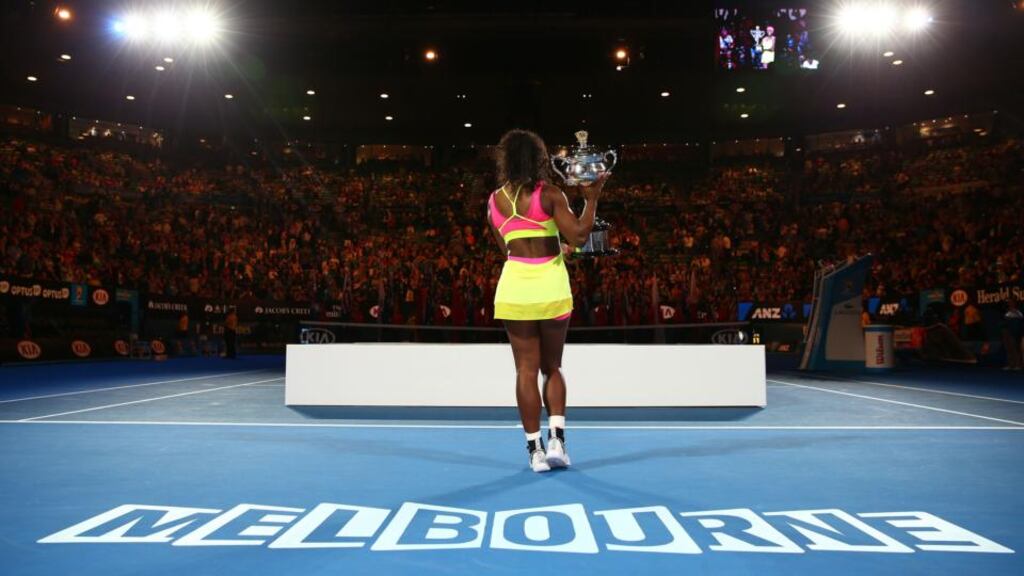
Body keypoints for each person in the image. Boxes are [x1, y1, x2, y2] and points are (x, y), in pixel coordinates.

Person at [487, 129, 607, 472]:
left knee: (524, 370)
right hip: (550, 287)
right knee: (551, 367)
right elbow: (581, 236)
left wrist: (550, 245)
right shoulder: (550, 194)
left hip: (514, 288)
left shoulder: (493, 202)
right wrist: (592, 198)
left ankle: (534, 452)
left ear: (506, 161)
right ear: (538, 160)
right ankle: (557, 441)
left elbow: (509, 250)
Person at [1002, 297, 1022, 371]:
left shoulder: (1018, 312)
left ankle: (1018, 365)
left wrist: (1015, 332)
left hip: (1013, 332)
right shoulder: (1006, 311)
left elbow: (1018, 323)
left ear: (1014, 303)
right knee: (1008, 349)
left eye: (1011, 302)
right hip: (1005, 332)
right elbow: (1004, 322)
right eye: (1008, 302)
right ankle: (1011, 364)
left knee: (1014, 349)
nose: (1009, 303)